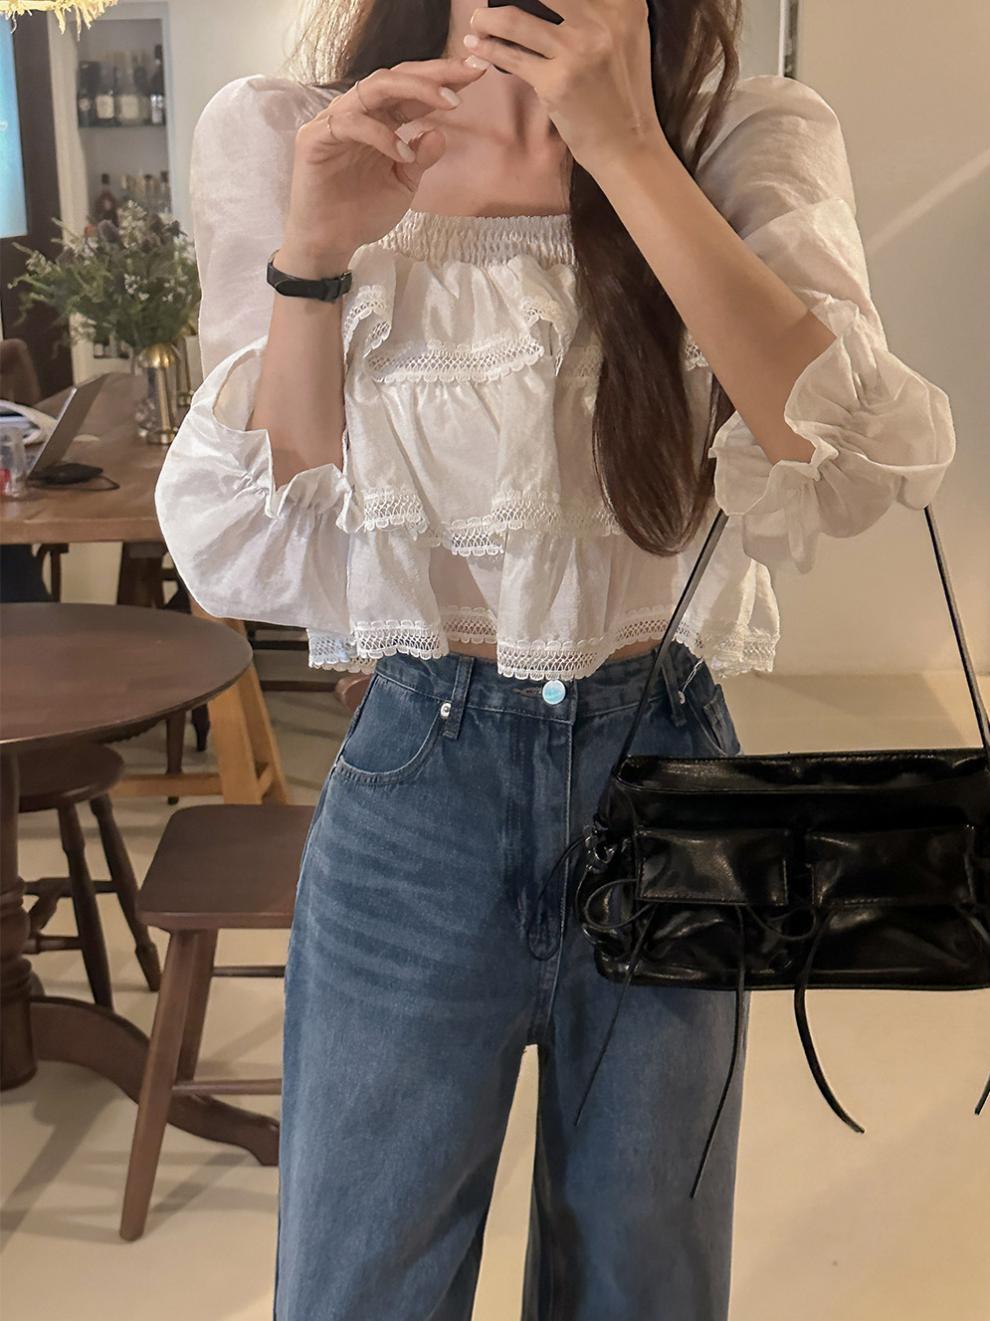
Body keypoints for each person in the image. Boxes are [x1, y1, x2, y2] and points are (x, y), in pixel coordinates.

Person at [155, 2, 957, 1316]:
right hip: (418, 780)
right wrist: (315, 254)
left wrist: (630, 150)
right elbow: (262, 539)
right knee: (361, 1281)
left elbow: (852, 460)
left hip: (666, 777)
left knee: (645, 1283)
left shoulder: (741, 138)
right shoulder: (295, 132)